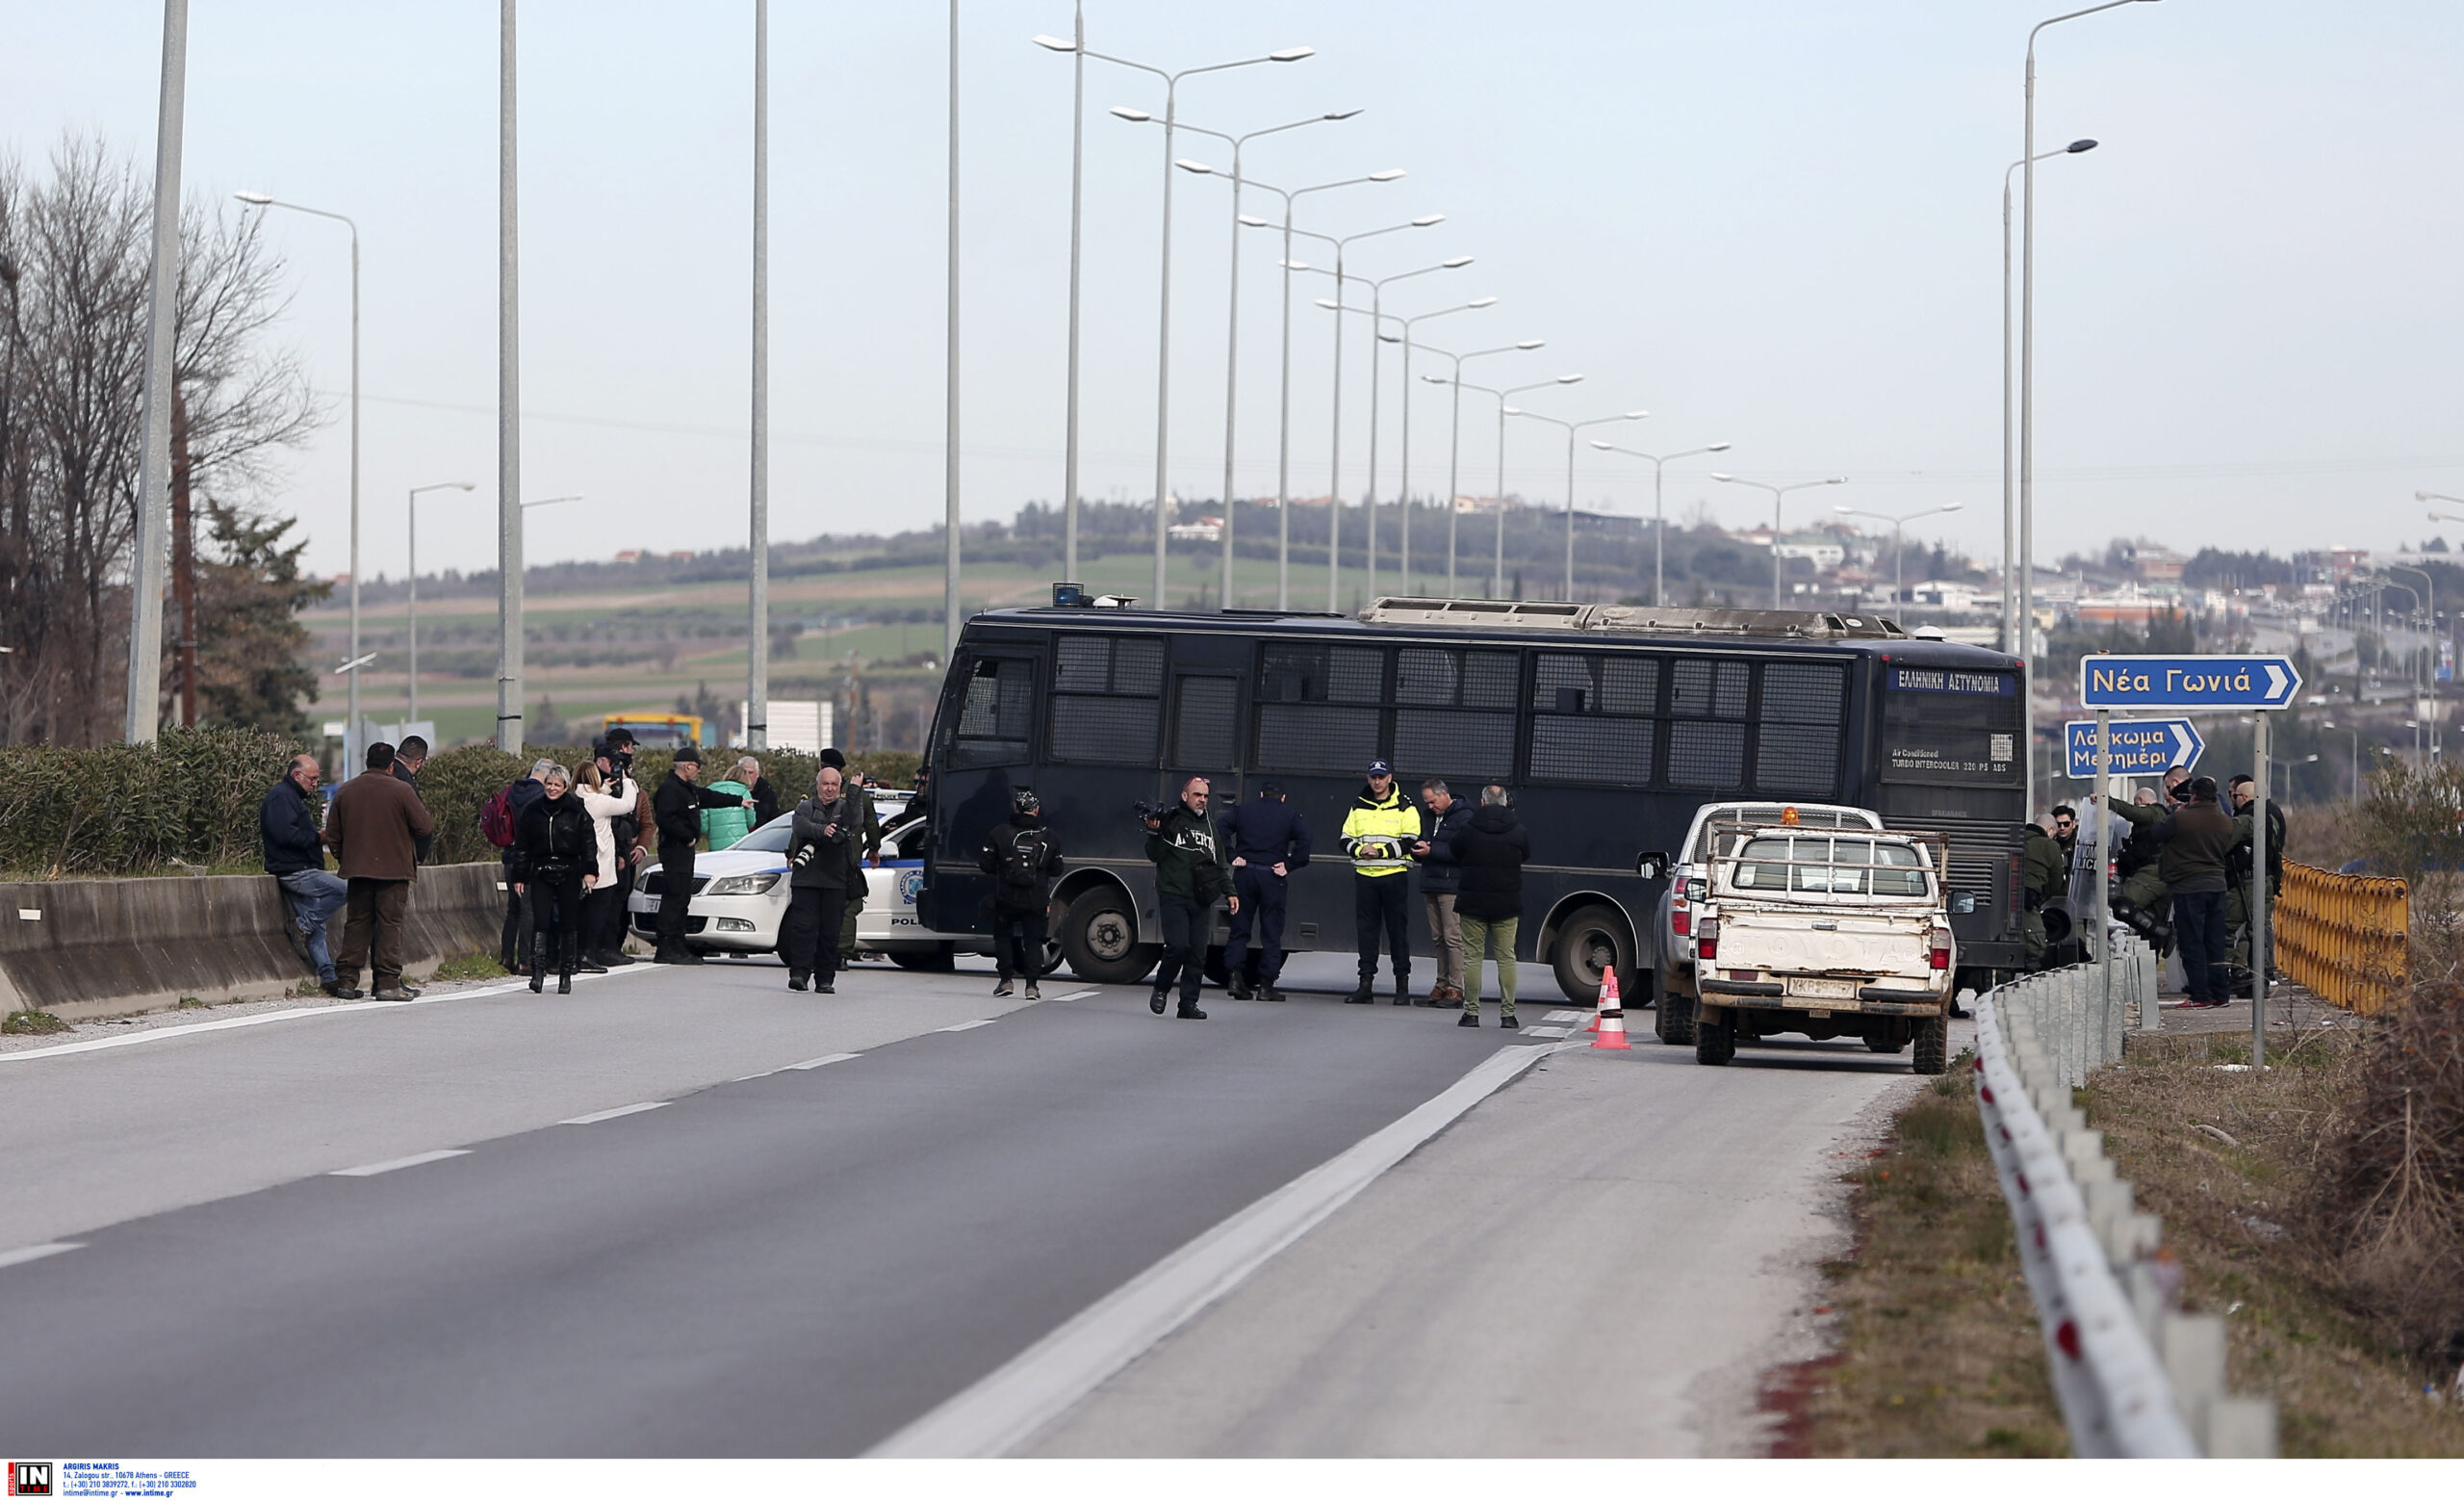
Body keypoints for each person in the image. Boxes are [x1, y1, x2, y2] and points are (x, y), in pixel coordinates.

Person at [322, 741, 435, 1002]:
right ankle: (387, 983)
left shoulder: (346, 790)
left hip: (358, 870)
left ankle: (347, 981)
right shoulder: (402, 790)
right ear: (391, 765)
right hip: (394, 871)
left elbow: (333, 834)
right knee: (389, 927)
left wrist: (344, 856)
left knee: (357, 924)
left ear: (366, 762)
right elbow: (424, 826)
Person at [260, 752, 353, 998]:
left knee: (318, 929)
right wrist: (317, 837)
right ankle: (302, 924)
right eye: (312, 779)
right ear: (296, 775)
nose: (315, 784)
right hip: (294, 870)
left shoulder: (292, 798)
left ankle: (329, 977)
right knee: (346, 890)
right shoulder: (281, 798)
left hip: (300, 867)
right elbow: (286, 836)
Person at [1144, 774, 1236, 1021]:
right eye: (1197, 795)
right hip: (1173, 894)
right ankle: (1161, 988)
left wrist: (1230, 892)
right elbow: (1154, 855)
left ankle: (1188, 1004)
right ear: (1185, 796)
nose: (1202, 800)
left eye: (1205, 796)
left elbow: (1220, 862)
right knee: (1178, 946)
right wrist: (1155, 833)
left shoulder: (1210, 826)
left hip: (1202, 897)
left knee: (1197, 953)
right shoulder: (1172, 819)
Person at [651, 746, 753, 965]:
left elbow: (708, 797)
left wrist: (738, 801)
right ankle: (667, 946)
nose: (698, 772)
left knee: (682, 898)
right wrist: (687, 836)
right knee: (674, 898)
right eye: (697, 767)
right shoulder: (670, 790)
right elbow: (666, 818)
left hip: (684, 852)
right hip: (674, 850)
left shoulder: (687, 789)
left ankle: (678, 943)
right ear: (687, 766)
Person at [2151, 776, 2238, 1009]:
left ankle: (2200, 995)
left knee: (2192, 942)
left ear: (2193, 795)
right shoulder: (2225, 822)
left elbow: (2156, 833)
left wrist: (2176, 812)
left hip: (2188, 887)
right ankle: (2221, 993)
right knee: (2215, 941)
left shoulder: (2180, 818)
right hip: (2217, 886)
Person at [1220, 781, 1311, 1002]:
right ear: (1282, 798)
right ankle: (1266, 986)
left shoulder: (1243, 811)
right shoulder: (1289, 816)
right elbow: (1306, 839)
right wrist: (1289, 864)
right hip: (1272, 876)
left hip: (1245, 873)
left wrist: (1231, 855)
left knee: (1239, 928)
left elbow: (1220, 826)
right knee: (1271, 932)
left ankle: (1235, 978)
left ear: (1261, 794)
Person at [1450, 784, 1529, 1030]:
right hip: (1506, 903)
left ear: (1482, 803)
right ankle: (1508, 1015)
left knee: (1473, 957)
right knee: (1506, 957)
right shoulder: (1518, 830)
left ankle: (1471, 1013)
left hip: (1473, 903)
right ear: (1505, 802)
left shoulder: (1468, 828)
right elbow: (1525, 854)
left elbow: (1455, 851)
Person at [512, 763, 596, 994]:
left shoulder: (576, 810)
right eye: (548, 784)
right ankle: (538, 972)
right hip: (541, 870)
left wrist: (590, 871)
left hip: (569, 870)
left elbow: (589, 843)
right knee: (541, 921)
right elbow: (523, 846)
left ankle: (566, 973)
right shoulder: (533, 810)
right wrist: (520, 875)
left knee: (568, 923)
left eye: (557, 785)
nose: (552, 788)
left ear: (565, 787)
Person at [1340, 759, 1417, 1005]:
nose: (1377, 781)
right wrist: (1361, 850)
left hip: (1394, 877)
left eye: (1381, 777)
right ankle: (1365, 985)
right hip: (1365, 877)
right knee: (1366, 933)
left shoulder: (1405, 806)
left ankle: (1402, 987)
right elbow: (1344, 838)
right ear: (1368, 778)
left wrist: (1380, 852)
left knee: (1397, 932)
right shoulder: (1358, 805)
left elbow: (1411, 840)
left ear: (1390, 778)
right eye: (1373, 777)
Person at [978, 787, 1063, 1000]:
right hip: (1036, 899)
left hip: (1006, 896)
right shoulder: (1049, 836)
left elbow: (985, 865)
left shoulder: (999, 833)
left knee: (1003, 937)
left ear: (1015, 808)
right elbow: (1057, 869)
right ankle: (1032, 985)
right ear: (1036, 810)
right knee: (1033, 941)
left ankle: (1006, 980)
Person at [783, 765, 862, 993]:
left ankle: (825, 979)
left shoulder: (846, 807)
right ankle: (799, 974)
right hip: (806, 880)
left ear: (840, 787)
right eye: (825, 784)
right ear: (818, 786)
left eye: (834, 785)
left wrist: (855, 792)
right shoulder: (805, 806)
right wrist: (822, 830)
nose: (829, 789)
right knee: (803, 929)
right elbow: (799, 825)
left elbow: (852, 822)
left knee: (830, 932)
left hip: (835, 881)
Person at [588, 736, 652, 966]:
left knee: (618, 903)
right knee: (605, 903)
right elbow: (617, 814)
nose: (619, 769)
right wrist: (617, 856)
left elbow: (642, 820)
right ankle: (600, 948)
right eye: (616, 763)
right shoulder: (599, 789)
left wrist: (640, 846)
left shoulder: (624, 786)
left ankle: (611, 946)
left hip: (624, 848)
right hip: (608, 853)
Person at [1412, 778, 1474, 1008]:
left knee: (1453, 937)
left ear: (1444, 794)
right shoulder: (1428, 816)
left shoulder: (1464, 816)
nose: (1430, 807)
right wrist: (1418, 850)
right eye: (1427, 802)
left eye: (1433, 801)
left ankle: (1456, 988)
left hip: (1451, 884)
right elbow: (1426, 840)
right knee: (1438, 938)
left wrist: (1432, 851)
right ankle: (1441, 984)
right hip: (1430, 880)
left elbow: (1462, 851)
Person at [819, 748, 884, 963]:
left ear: (820, 766)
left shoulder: (817, 790)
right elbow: (872, 824)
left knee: (821, 906)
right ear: (844, 769)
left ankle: (822, 951)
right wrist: (874, 848)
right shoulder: (860, 796)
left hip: (819, 859)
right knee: (849, 907)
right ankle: (841, 954)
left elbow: (798, 824)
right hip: (849, 860)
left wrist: (792, 853)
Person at [575, 761, 638, 973]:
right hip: (600, 865)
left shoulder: (577, 797)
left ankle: (577, 953)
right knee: (597, 913)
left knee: (581, 912)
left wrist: (605, 788)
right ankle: (587, 954)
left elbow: (595, 797)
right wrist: (628, 781)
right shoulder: (599, 801)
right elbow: (627, 805)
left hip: (581, 863)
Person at [2225, 771, 2287, 979]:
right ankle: (2263, 973)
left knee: (2227, 927)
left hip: (2247, 880)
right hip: (2268, 877)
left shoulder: (2247, 819)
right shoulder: (2274, 814)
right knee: (2259, 927)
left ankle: (2225, 972)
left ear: (2243, 798)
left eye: (2234, 796)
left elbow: (2224, 843)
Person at [496, 762, 550, 971]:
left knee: (513, 909)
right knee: (530, 909)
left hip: (509, 855)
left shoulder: (510, 790)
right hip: (530, 858)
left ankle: (507, 956)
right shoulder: (541, 796)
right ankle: (525, 961)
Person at [2020, 814, 2068, 972]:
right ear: (2050, 830)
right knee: (2037, 944)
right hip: (2030, 901)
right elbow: (2056, 881)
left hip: (2004, 900)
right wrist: (2044, 896)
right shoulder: (2050, 846)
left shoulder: (2017, 837)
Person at [391, 735, 434, 866]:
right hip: (396, 860)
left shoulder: (380, 773)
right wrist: (417, 857)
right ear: (418, 762)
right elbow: (423, 826)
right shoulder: (406, 785)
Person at [702, 763, 756, 851]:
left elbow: (704, 826)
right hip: (740, 844)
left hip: (716, 844)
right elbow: (751, 822)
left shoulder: (710, 791)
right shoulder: (745, 792)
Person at [740, 756, 781, 828]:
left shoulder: (767, 793)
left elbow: (774, 819)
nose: (747, 776)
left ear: (757, 774)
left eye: (750, 772)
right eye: (744, 772)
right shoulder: (729, 792)